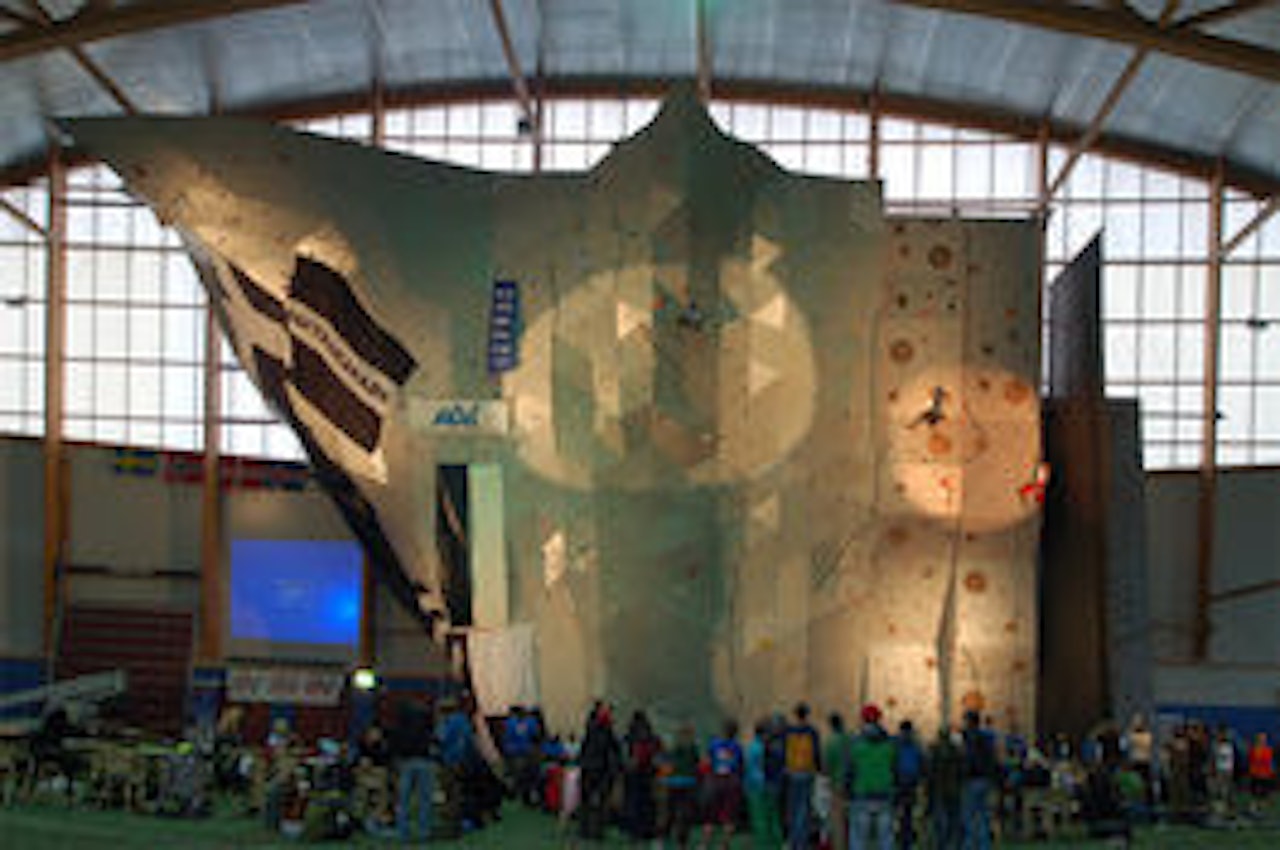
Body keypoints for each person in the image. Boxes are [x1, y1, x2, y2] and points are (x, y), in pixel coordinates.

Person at [847, 704, 894, 850]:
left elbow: (849, 771)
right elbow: (895, 768)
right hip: (884, 794)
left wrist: (847, 790)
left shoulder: (855, 745)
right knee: (885, 838)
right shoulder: (889, 745)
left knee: (858, 838)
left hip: (862, 794)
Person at [389, 701, 435, 843]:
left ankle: (403, 833)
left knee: (403, 801)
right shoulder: (426, 723)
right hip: (424, 761)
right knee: (424, 799)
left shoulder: (399, 725)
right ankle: (424, 831)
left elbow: (394, 744)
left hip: (406, 762)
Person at [578, 701, 621, 841]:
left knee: (588, 801)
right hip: (600, 770)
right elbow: (613, 749)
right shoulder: (605, 730)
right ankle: (596, 831)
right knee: (600, 802)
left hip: (591, 768)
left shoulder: (591, 728)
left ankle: (586, 830)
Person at [783, 702, 822, 849]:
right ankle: (802, 843)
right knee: (804, 809)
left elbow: (784, 751)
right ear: (807, 714)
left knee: (792, 809)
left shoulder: (788, 731)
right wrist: (819, 770)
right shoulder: (812, 732)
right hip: (807, 773)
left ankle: (793, 840)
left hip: (792, 773)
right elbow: (817, 753)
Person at [704, 719, 745, 849]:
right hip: (731, 781)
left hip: (716, 780)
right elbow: (740, 765)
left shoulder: (714, 743)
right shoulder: (737, 746)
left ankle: (705, 844)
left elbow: (708, 760)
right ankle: (724, 845)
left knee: (710, 815)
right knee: (729, 816)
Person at [622, 710, 662, 840]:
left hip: (633, 774)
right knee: (648, 802)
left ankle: (633, 831)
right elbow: (658, 753)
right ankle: (648, 830)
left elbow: (625, 755)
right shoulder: (652, 737)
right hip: (648, 774)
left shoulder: (629, 736)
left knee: (633, 802)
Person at [960, 711, 996, 850]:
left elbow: (967, 759)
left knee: (969, 816)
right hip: (985, 780)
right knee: (983, 816)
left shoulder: (969, 739)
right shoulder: (987, 738)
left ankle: (969, 845)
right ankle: (983, 845)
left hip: (971, 779)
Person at [745, 719, 783, 849]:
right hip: (765, 785)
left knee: (762, 819)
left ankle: (766, 845)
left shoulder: (753, 747)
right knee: (771, 818)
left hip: (757, 787)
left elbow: (750, 767)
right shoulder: (767, 747)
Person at [663, 722, 701, 848]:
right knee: (685, 813)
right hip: (688, 783)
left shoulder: (673, 747)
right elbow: (697, 765)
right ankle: (681, 842)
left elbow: (668, 765)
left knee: (671, 812)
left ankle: (665, 838)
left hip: (673, 783)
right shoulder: (692, 748)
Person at [927, 724, 964, 850]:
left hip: (939, 789)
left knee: (941, 819)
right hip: (953, 789)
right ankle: (954, 843)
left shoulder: (934, 750)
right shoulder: (956, 751)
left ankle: (941, 844)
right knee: (953, 818)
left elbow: (930, 772)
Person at [894, 719, 925, 850]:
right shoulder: (916, 745)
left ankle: (902, 836)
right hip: (911, 782)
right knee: (908, 812)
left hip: (899, 782)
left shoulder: (895, 743)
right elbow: (922, 762)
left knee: (899, 812)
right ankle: (907, 837)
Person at [823, 713, 852, 850]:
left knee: (838, 820)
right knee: (849, 819)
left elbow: (826, 766)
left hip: (837, 784)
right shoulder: (850, 739)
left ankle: (840, 846)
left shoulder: (831, 742)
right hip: (851, 784)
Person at [1246, 732, 1275, 816]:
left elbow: (1269, 763)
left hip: (1265, 775)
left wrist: (1270, 772)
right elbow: (1251, 762)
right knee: (1255, 793)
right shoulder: (1252, 750)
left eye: (1264, 739)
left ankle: (1261, 809)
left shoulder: (1268, 750)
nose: (1262, 741)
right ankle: (1254, 808)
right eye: (1261, 739)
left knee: (1264, 794)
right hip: (1255, 775)